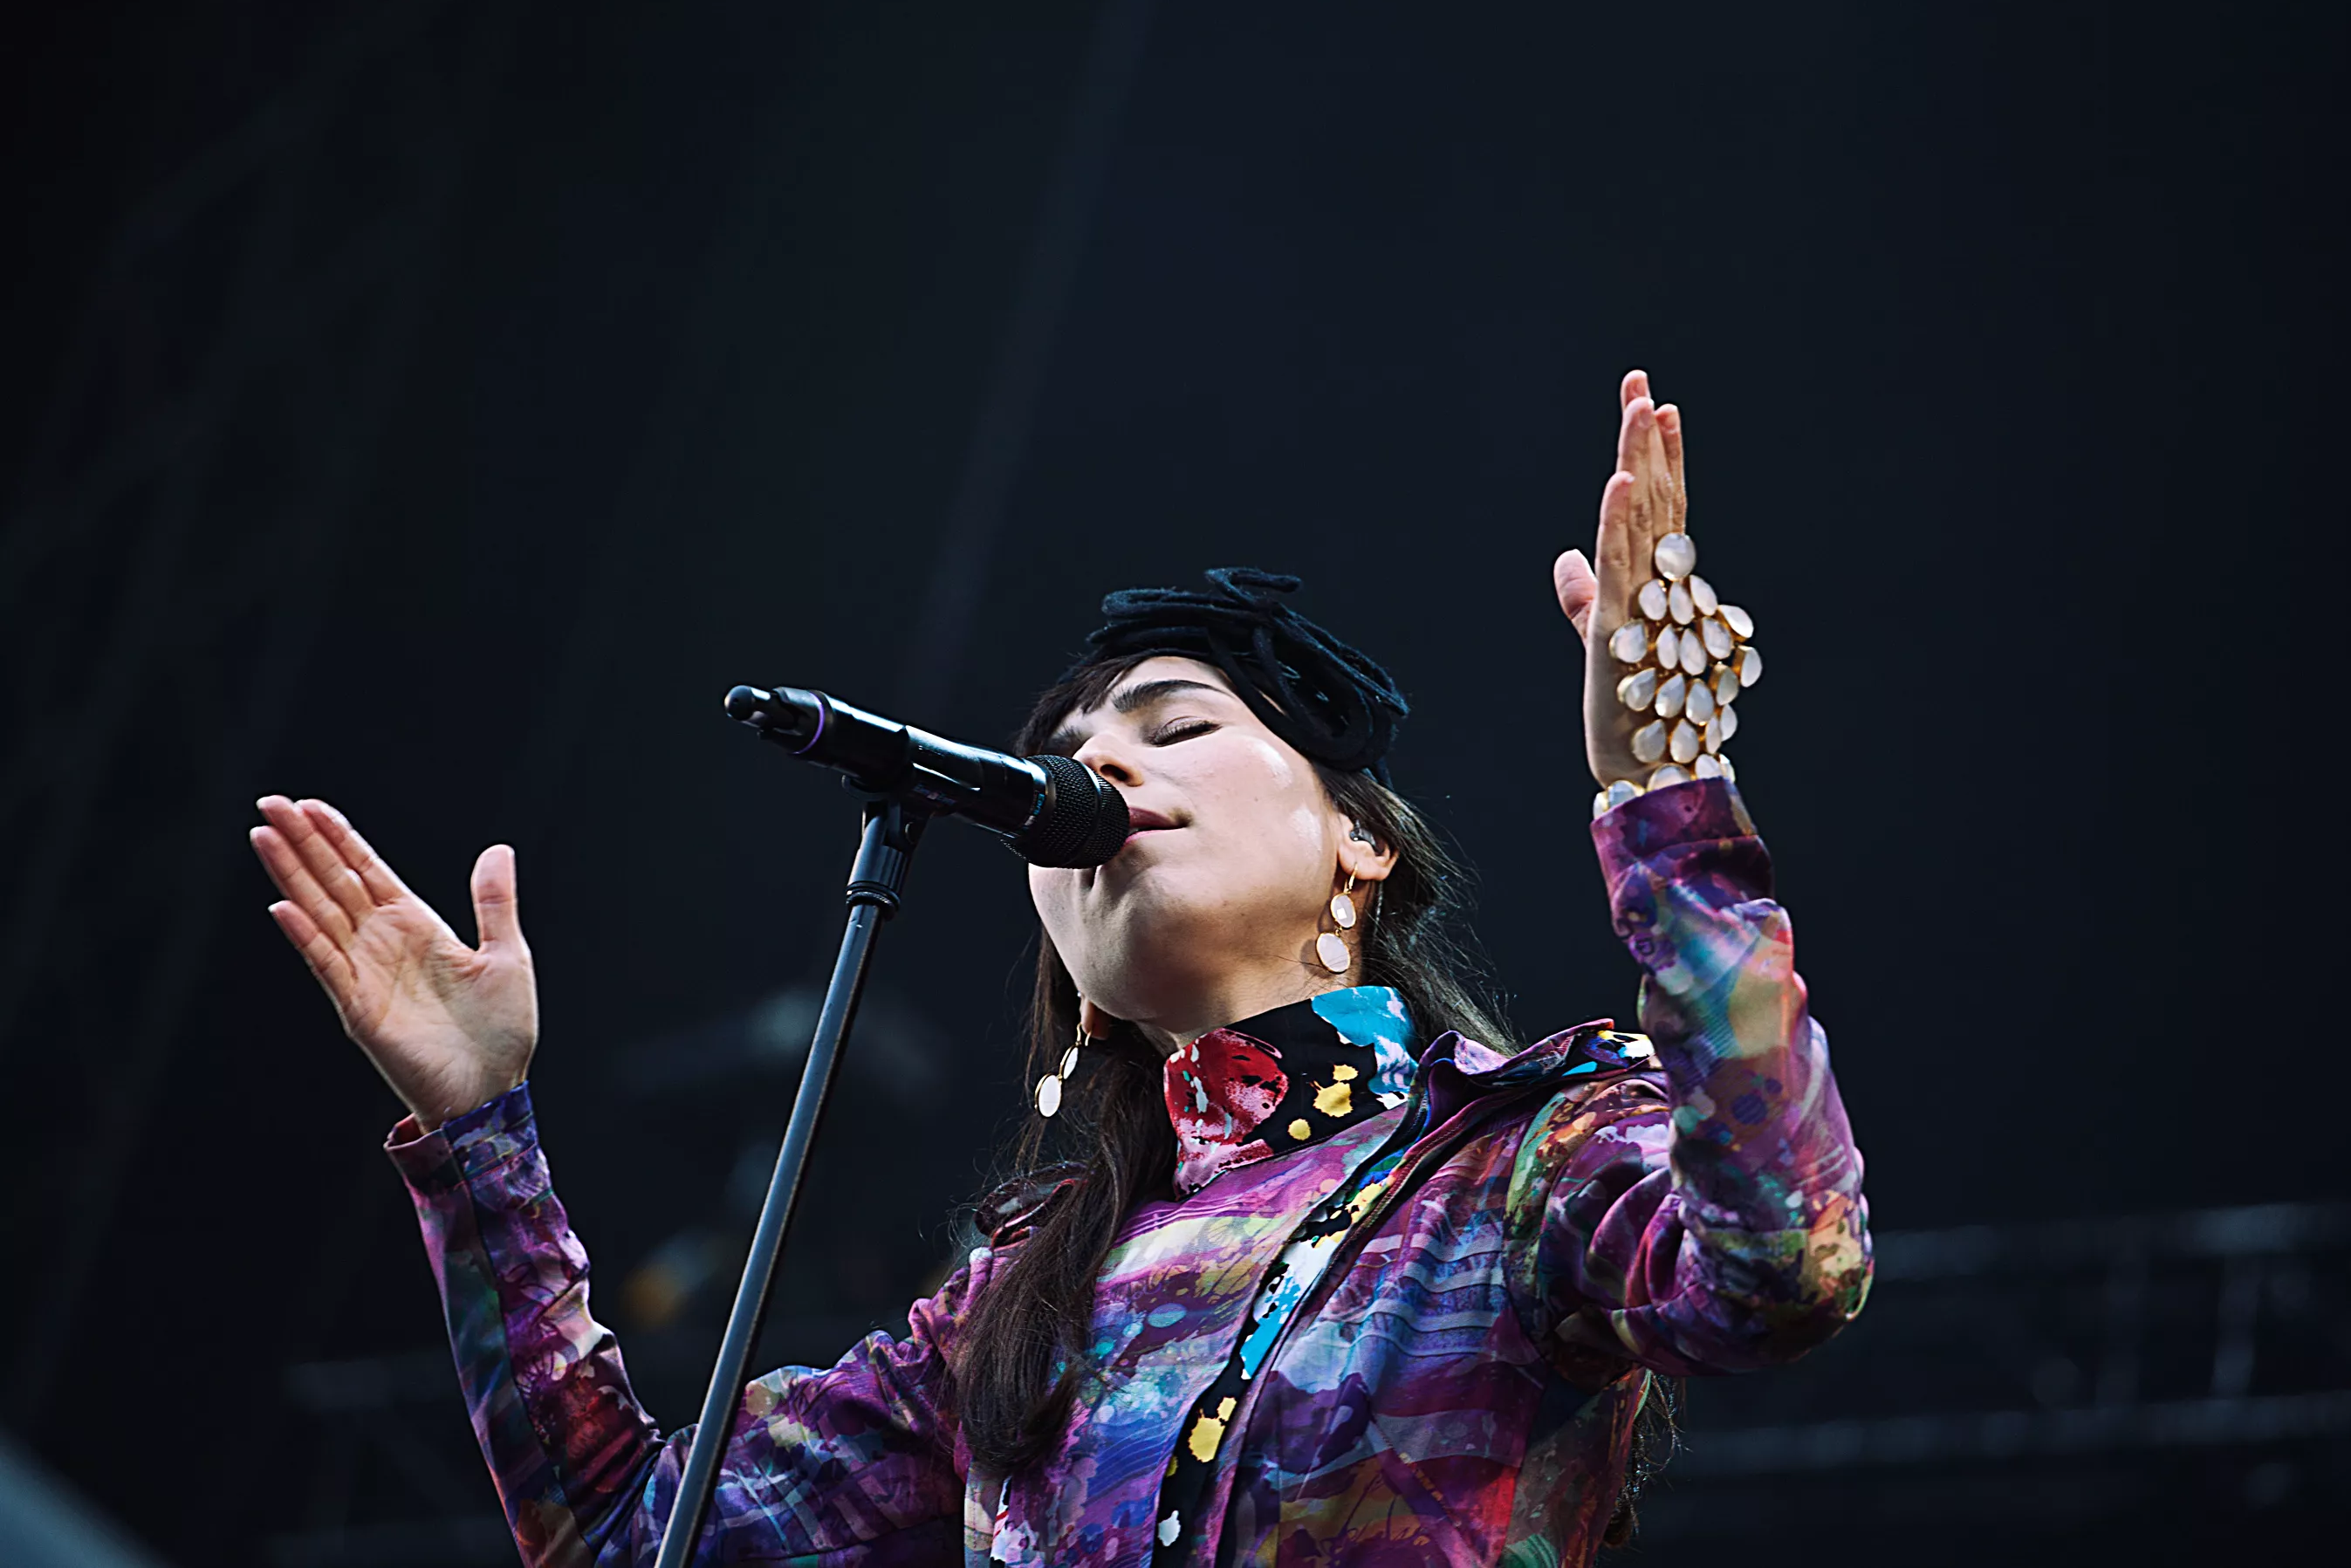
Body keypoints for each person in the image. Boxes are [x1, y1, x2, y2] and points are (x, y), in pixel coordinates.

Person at [250, 371, 1871, 1566]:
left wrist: (1665, 799)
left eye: (1173, 724)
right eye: (1073, 752)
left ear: (1360, 844)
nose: (1101, 766)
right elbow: (623, 1534)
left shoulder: (1520, 1158)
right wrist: (480, 1134)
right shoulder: (1020, 1305)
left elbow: (1785, 1261)